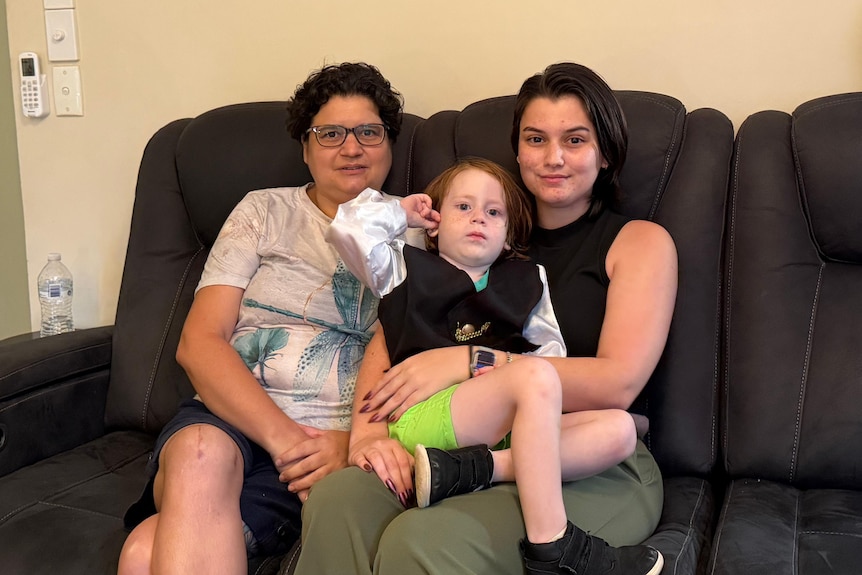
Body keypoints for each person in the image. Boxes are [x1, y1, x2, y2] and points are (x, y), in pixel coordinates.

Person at [294, 62, 677, 575]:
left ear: (605, 152)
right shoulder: (479, 231)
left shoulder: (638, 242)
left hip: (589, 458)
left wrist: (469, 360)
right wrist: (368, 437)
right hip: (456, 447)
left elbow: (618, 384)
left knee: (421, 541)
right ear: (517, 150)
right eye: (536, 139)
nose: (554, 157)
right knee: (340, 498)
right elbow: (394, 329)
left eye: (576, 140)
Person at [117, 62, 411, 575]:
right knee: (201, 452)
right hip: (228, 420)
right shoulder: (263, 212)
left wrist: (352, 443)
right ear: (305, 148)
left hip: (324, 450)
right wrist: (284, 439)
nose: (351, 148)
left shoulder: (420, 231)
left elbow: (424, 366)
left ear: (388, 144)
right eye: (330, 134)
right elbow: (199, 342)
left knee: (144, 552)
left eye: (369, 132)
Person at [326, 158, 649, 567]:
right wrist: (402, 214)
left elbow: (551, 360)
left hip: (500, 429)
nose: (479, 217)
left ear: (508, 236)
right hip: (421, 415)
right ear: (435, 225)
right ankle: (551, 545)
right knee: (533, 376)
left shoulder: (526, 281)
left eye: (494, 212)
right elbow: (348, 230)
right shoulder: (403, 269)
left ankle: (469, 469)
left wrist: (505, 377)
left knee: (619, 430)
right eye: (463, 207)